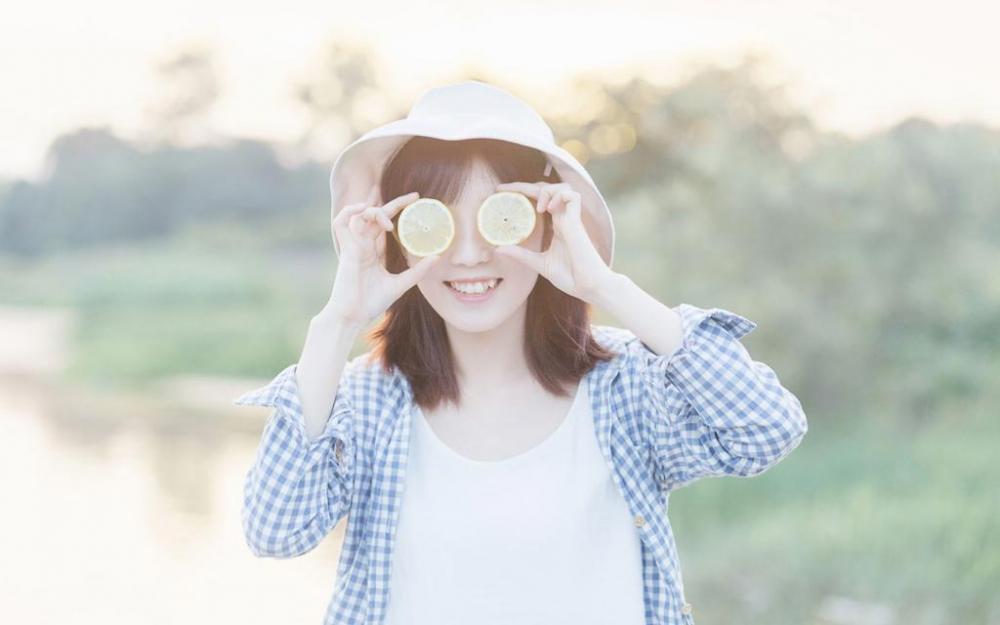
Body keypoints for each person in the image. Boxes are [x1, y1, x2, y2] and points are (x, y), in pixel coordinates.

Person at [234, 80, 808, 625]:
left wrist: (605, 286)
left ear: (546, 227)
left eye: (499, 221)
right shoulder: (366, 401)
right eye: (436, 224)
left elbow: (765, 429)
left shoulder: (624, 386)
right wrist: (339, 320)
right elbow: (275, 530)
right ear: (401, 239)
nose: (467, 255)